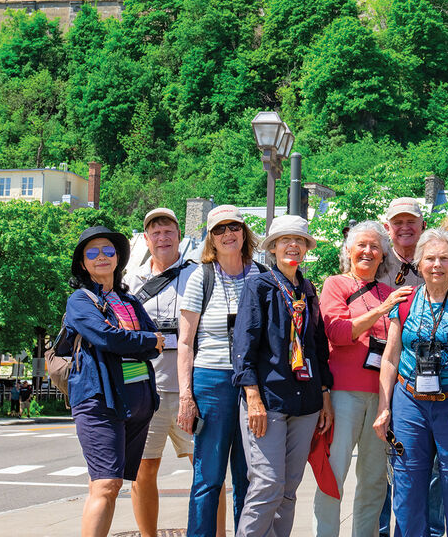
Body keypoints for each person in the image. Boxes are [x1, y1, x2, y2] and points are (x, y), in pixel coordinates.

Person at [231, 215, 334, 537]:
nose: (293, 245)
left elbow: (317, 346)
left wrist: (325, 396)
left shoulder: (306, 288)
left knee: (289, 489)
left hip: (306, 403)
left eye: (300, 241)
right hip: (268, 400)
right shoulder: (258, 284)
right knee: (267, 484)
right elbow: (244, 344)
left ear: (305, 249)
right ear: (273, 248)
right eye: (285, 240)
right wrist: (252, 398)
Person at [64, 226, 167, 537]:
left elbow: (154, 343)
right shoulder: (79, 301)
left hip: (135, 401)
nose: (101, 257)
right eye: (92, 253)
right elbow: (107, 337)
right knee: (106, 483)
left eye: (108, 251)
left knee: (113, 482)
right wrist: (144, 340)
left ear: (118, 258)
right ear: (82, 263)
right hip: (99, 399)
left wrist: (142, 340)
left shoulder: (129, 300)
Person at [374, 229, 448, 537]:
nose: (437, 265)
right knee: (407, 485)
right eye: (430, 258)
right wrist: (384, 407)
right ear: (419, 263)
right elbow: (390, 358)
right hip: (410, 402)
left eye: (444, 258)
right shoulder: (404, 301)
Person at [316, 221, 413, 537]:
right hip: (344, 394)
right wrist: (382, 309)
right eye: (362, 245)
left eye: (375, 247)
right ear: (349, 250)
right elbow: (338, 332)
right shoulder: (336, 284)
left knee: (373, 480)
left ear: (384, 254)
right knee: (334, 474)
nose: (369, 252)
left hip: (382, 399)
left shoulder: (391, 293)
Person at [177, 204, 265, 537]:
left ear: (244, 233)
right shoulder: (202, 276)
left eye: (234, 227)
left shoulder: (260, 274)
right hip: (211, 380)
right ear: (211, 239)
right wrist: (187, 395)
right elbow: (185, 343)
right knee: (208, 476)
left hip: (251, 385)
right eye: (220, 229)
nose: (228, 234)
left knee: (250, 477)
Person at [120, 208, 196, 537]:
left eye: (168, 231)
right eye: (155, 232)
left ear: (179, 236)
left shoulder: (198, 275)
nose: (162, 237)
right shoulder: (130, 282)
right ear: (146, 239)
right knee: (143, 469)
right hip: (145, 389)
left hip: (190, 389)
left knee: (207, 470)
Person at [383, 197, 428, 288]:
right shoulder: (377, 263)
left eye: (411, 222)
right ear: (387, 228)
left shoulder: (436, 262)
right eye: (398, 223)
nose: (405, 228)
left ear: (423, 226)